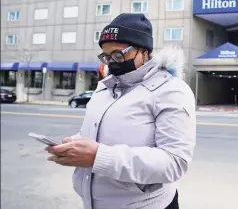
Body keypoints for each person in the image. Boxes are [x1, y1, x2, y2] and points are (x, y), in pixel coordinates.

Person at [46, 13, 196, 209]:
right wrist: (73, 144)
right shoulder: (103, 87)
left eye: (118, 54)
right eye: (106, 57)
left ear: (143, 51)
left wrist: (97, 156)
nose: (112, 62)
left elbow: (174, 163)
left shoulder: (171, 90)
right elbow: (97, 134)